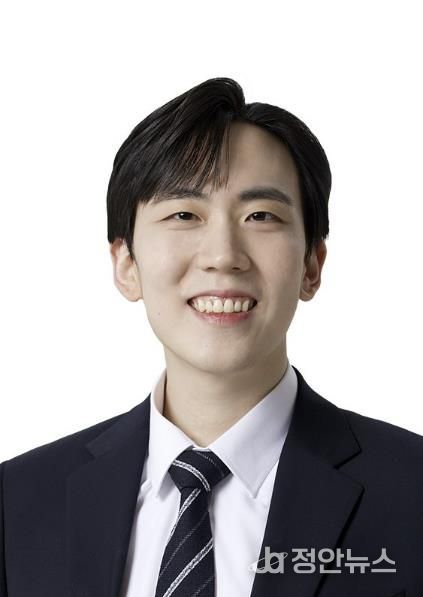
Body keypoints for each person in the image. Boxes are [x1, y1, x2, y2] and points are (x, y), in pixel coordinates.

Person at [0, 78, 421, 597]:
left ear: (312, 264)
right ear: (126, 264)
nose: (223, 255)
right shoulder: (18, 501)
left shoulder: (412, 494)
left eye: (260, 216)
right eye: (184, 215)